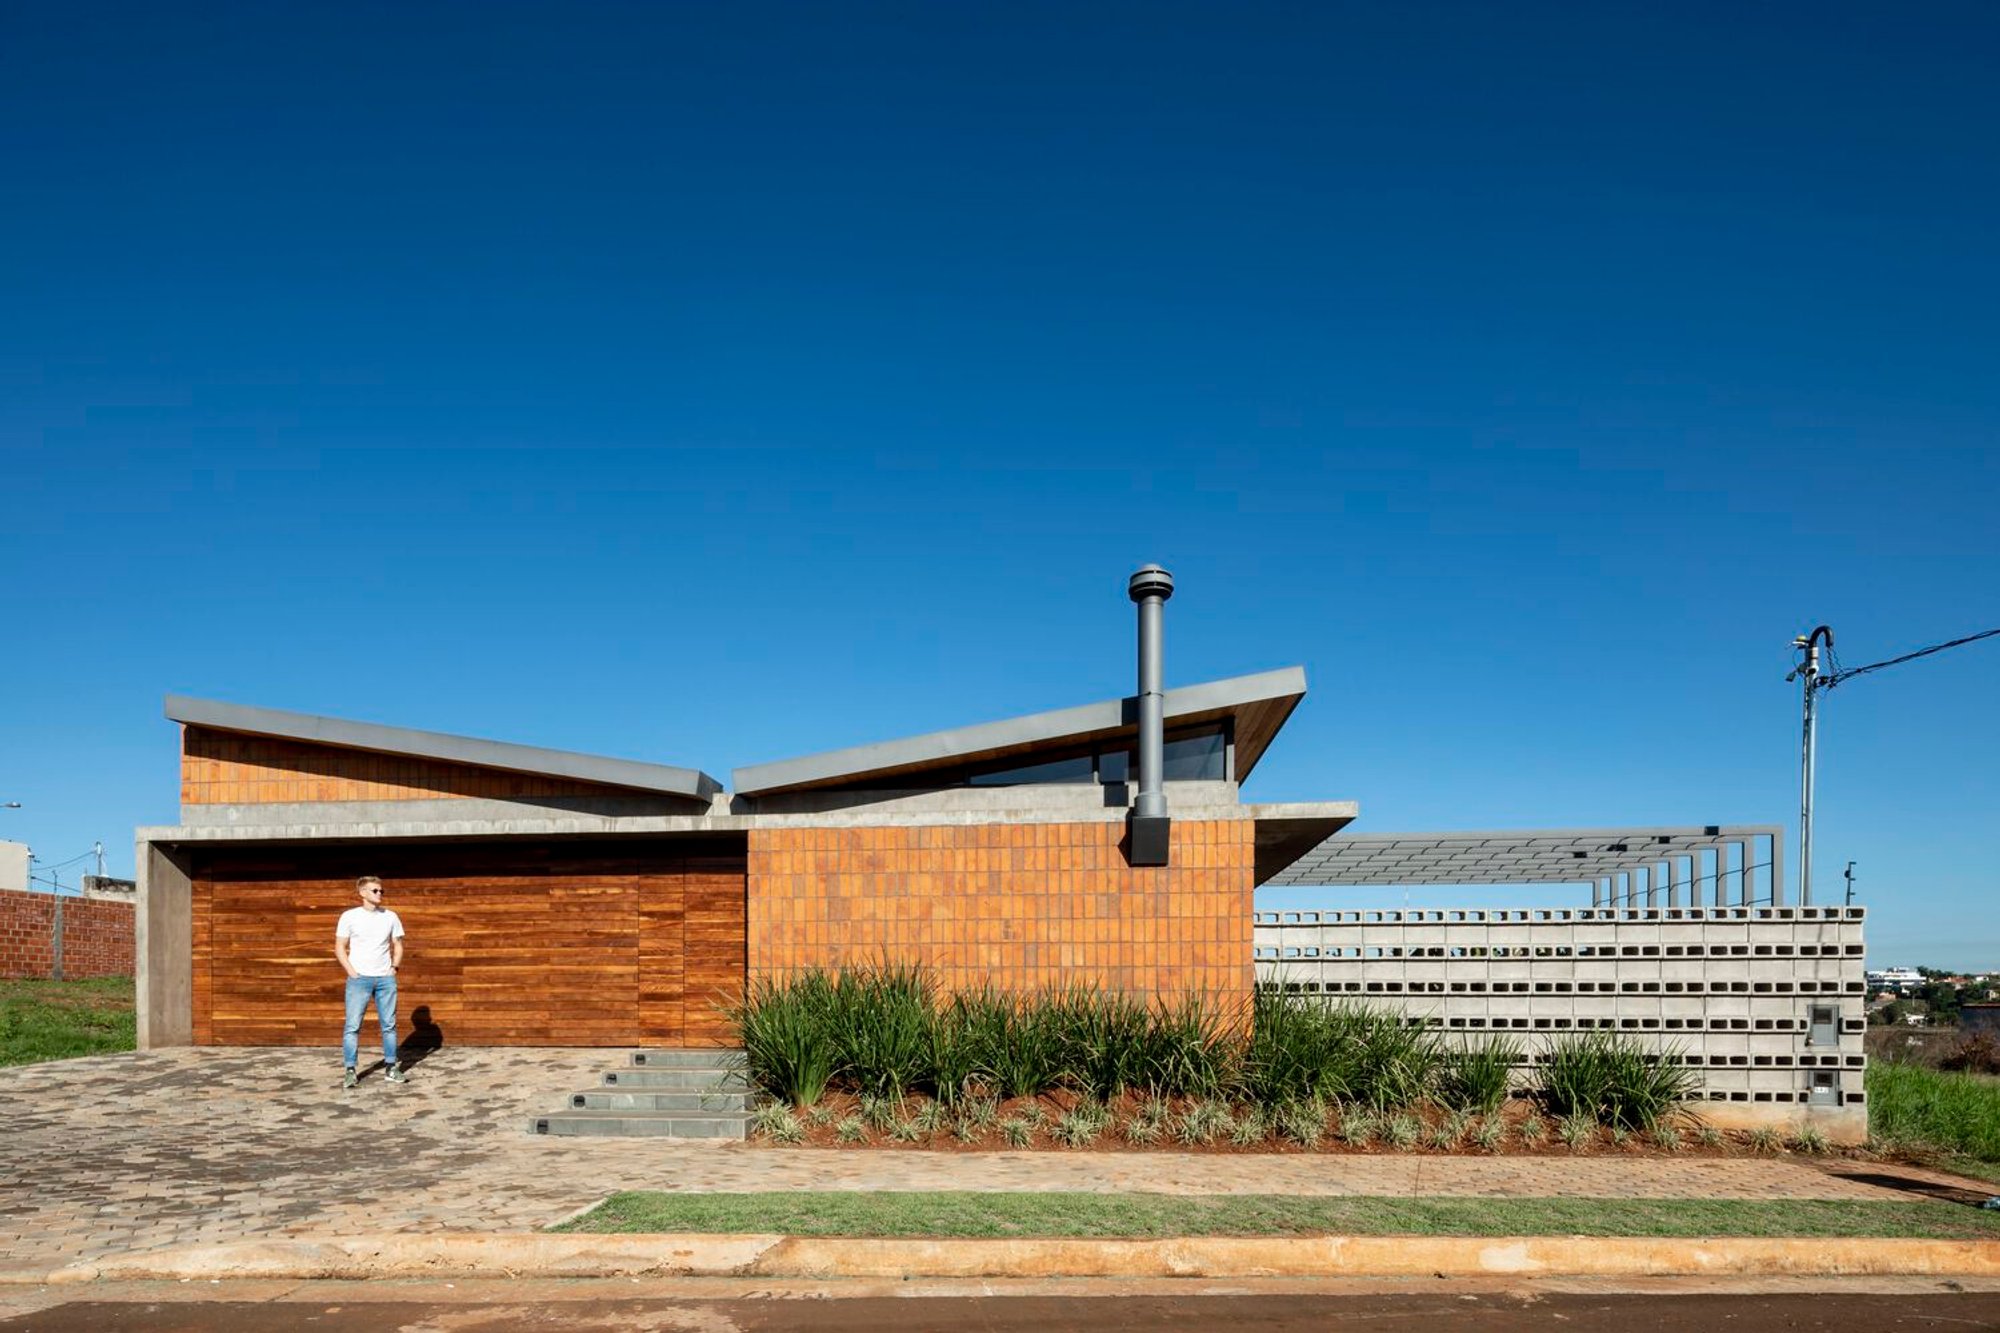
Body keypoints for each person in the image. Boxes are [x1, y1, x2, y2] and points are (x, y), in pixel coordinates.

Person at [335, 874, 407, 1089]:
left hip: (385, 979)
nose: (380, 894)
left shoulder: (390, 916)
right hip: (359, 979)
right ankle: (350, 1070)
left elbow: (398, 944)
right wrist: (352, 971)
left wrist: (393, 968)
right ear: (362, 893)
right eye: (375, 891)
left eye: (381, 890)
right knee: (352, 1026)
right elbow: (339, 947)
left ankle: (391, 1068)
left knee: (389, 1026)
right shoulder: (349, 917)